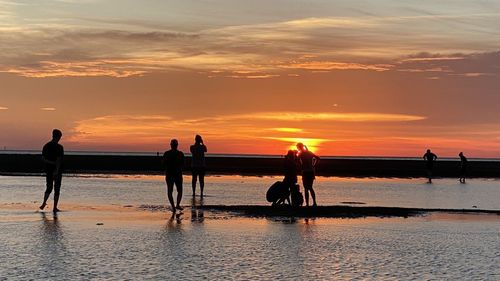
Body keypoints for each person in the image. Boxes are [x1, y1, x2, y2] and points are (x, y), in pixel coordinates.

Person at [39, 129, 64, 212]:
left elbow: (42, 159)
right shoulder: (59, 147)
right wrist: (56, 169)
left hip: (48, 170)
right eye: (60, 137)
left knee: (49, 188)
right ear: (58, 137)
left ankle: (44, 203)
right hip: (57, 171)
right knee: (57, 189)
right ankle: (54, 207)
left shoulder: (46, 146)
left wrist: (50, 162)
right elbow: (59, 160)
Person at [163, 139, 185, 213]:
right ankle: (177, 205)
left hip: (169, 174)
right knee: (179, 190)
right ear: (177, 145)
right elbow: (183, 163)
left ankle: (173, 206)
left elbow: (163, 163)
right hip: (177, 174)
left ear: (171, 145)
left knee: (170, 191)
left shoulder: (167, 153)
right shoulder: (180, 154)